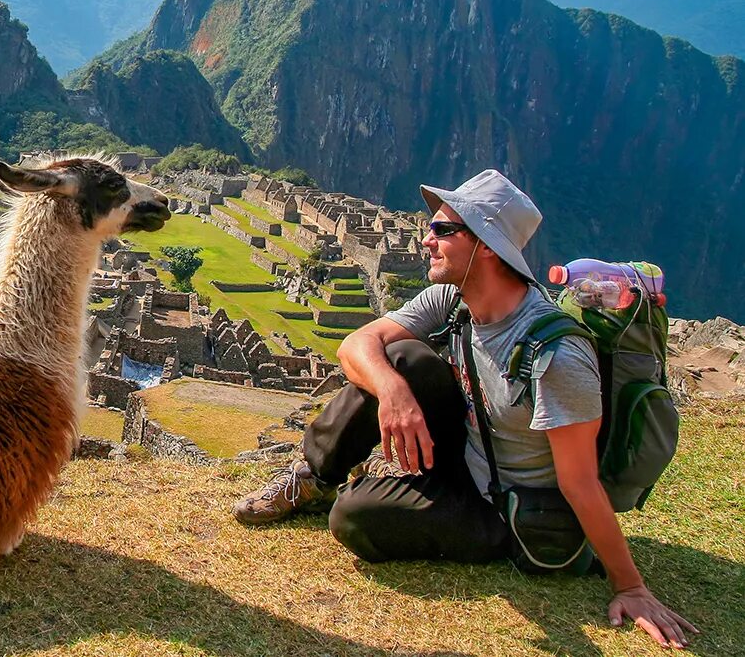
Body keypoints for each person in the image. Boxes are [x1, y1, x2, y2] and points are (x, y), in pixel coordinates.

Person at [232, 169, 698, 649]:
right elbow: (357, 344)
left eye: (443, 230)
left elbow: (578, 482)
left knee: (354, 517)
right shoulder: (452, 299)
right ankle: (311, 477)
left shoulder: (555, 356)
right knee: (399, 360)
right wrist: (394, 393)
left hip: (506, 507)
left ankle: (369, 492)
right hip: (467, 452)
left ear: (488, 247)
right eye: (431, 227)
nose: (427, 240)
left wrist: (630, 586)